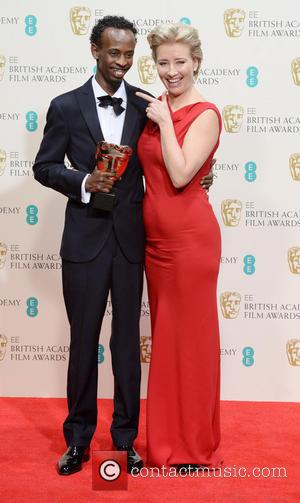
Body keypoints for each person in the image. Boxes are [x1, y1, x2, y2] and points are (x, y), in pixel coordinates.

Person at [33, 15, 214, 476]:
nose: (121, 62)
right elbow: (45, 166)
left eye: (129, 54)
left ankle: (125, 441)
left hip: (135, 243)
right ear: (95, 50)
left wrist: (203, 175)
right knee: (82, 343)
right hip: (84, 240)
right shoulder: (66, 106)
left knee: (127, 347)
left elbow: (171, 162)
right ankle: (77, 441)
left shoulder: (147, 104)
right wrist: (83, 182)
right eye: (113, 52)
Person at [137, 23, 223, 471]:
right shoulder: (153, 108)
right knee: (168, 342)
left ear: (196, 62)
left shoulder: (204, 112)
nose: (171, 71)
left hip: (191, 243)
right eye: (163, 63)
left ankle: (192, 447)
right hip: (155, 244)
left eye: (180, 62)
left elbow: (182, 173)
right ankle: (167, 442)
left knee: (191, 343)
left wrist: (165, 122)